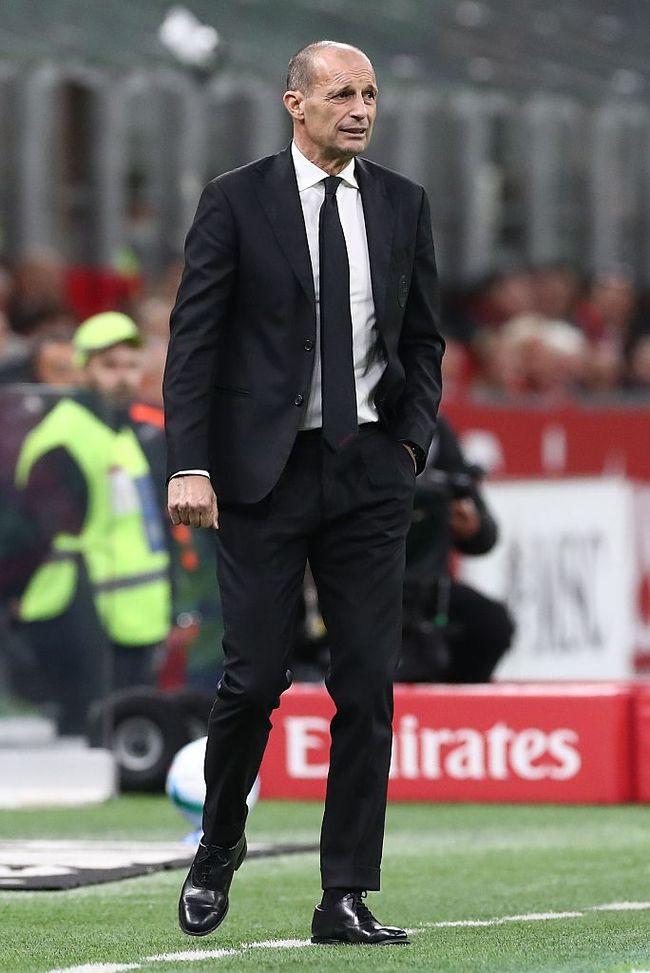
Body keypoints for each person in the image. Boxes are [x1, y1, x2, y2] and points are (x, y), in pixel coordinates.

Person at [164, 41, 444, 945]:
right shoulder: (235, 200)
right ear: (295, 102)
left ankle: (345, 894)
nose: (360, 108)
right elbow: (194, 341)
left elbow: (426, 338)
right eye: (340, 93)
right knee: (254, 677)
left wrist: (407, 441)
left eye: (370, 92)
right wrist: (189, 461)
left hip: (367, 470)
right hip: (262, 475)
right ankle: (217, 845)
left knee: (366, 684)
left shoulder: (403, 203)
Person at [13, 312, 172, 732]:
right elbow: (42, 534)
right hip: (82, 615)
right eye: (108, 366)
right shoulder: (65, 437)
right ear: (83, 369)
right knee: (86, 733)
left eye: (129, 365)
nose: (122, 378)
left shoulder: (123, 432)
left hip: (133, 614)